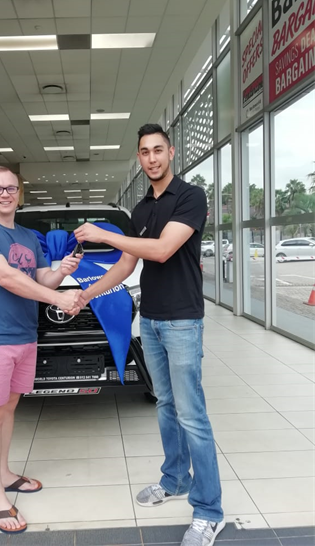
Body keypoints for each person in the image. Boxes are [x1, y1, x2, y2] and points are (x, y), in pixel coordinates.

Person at [74, 124, 224, 546]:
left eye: (159, 150)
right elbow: (126, 265)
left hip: (182, 320)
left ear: (170, 153)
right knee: (165, 405)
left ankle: (209, 511)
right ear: (139, 157)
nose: (152, 158)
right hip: (153, 321)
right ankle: (175, 478)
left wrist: (103, 233)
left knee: (192, 415)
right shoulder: (140, 211)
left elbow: (161, 250)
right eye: (145, 151)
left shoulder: (191, 197)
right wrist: (86, 294)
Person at [0, 166, 82, 535]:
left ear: (19, 193)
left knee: (9, 408)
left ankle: (5, 473)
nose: (4, 194)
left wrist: (62, 271)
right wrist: (58, 299)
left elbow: (40, 278)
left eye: (10, 188)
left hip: (25, 336)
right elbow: (7, 277)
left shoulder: (28, 236)